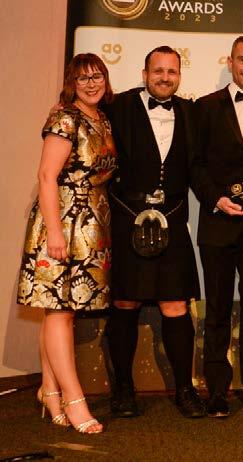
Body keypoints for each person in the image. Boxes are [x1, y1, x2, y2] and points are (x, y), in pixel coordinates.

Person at [17, 53, 117, 434]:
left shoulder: (102, 118)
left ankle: (50, 391)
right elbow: (46, 176)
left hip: (92, 223)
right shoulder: (64, 118)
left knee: (60, 310)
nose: (91, 84)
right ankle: (75, 401)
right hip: (62, 222)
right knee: (59, 311)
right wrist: (55, 232)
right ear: (71, 83)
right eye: (83, 78)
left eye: (97, 76)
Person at [104, 46, 204, 419]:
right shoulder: (118, 107)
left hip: (173, 219)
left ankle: (185, 390)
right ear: (145, 74)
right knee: (125, 303)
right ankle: (123, 390)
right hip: (127, 218)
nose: (165, 77)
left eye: (171, 71)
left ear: (179, 75)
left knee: (176, 304)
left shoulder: (191, 112)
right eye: (157, 71)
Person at [192, 36, 243, 417]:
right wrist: (216, 199)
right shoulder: (205, 107)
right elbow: (195, 165)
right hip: (218, 223)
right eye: (242, 59)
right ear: (230, 62)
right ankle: (216, 392)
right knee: (218, 310)